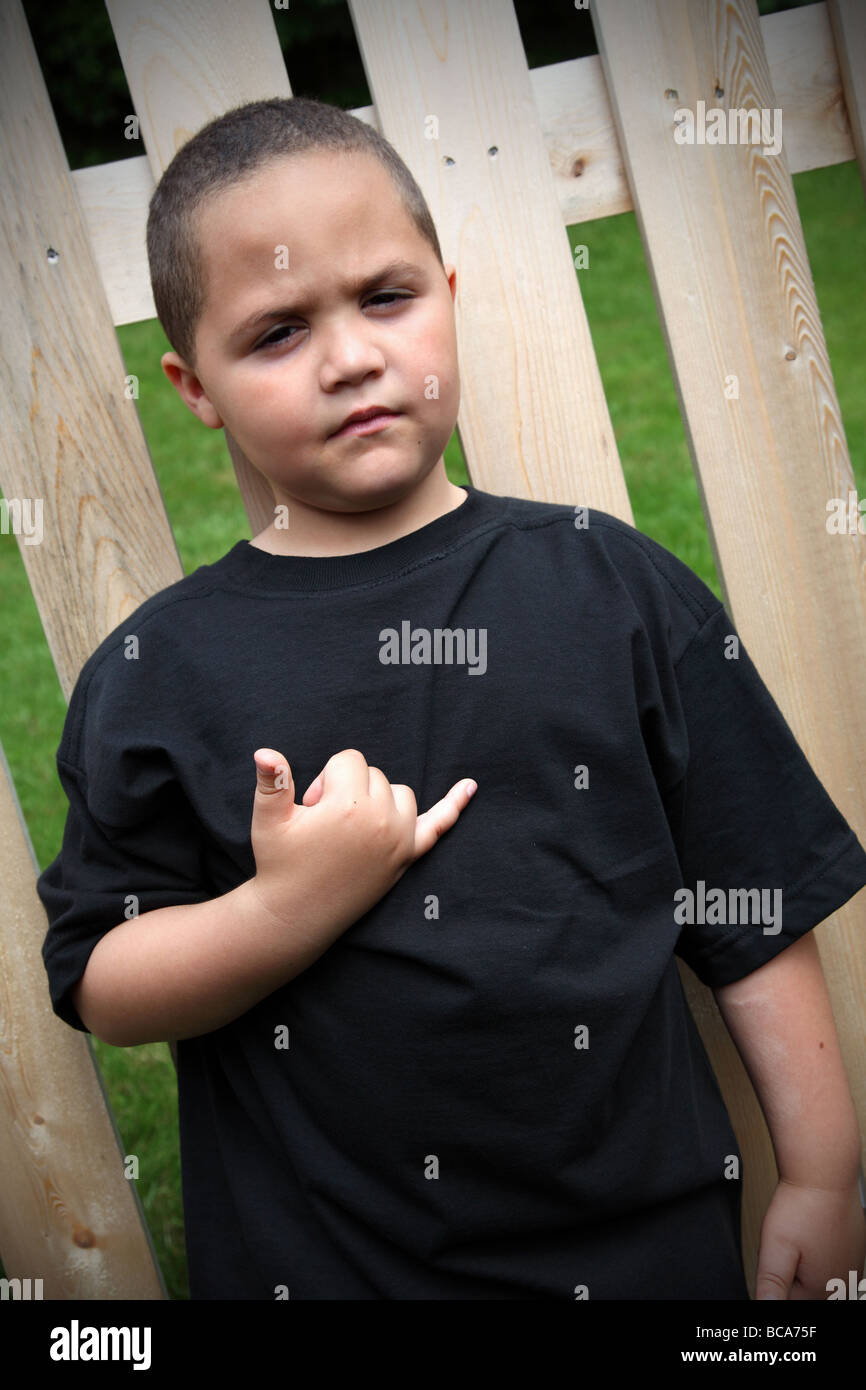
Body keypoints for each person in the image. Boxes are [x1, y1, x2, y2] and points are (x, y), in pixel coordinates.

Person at [37, 96, 866, 1301]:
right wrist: (286, 908)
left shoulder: (606, 584)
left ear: (449, 291)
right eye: (275, 333)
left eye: (385, 297)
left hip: (645, 1250)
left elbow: (750, 899)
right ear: (195, 385)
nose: (350, 356)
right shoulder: (160, 676)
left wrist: (822, 1174)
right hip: (327, 1267)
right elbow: (103, 978)